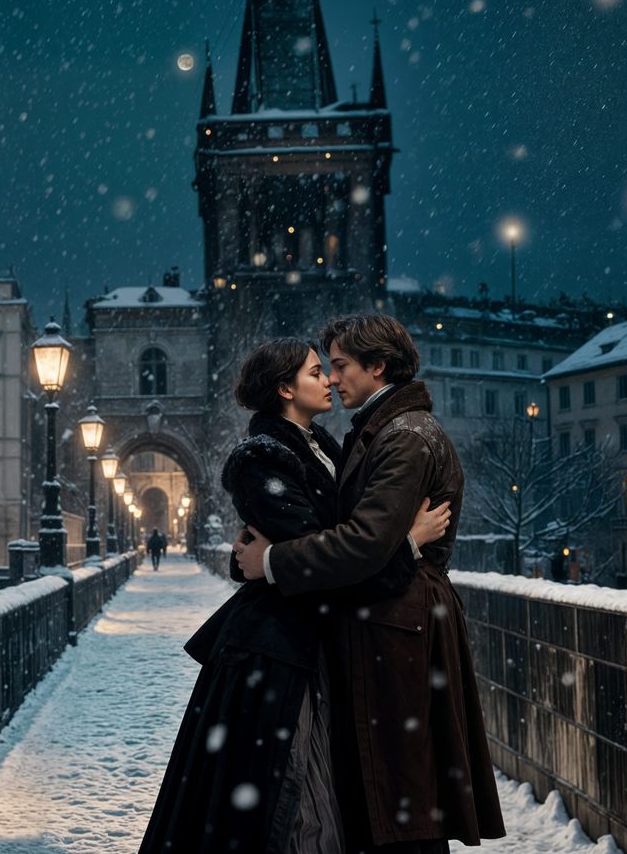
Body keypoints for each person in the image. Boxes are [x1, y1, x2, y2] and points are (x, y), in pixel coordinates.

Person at [141, 337, 450, 854]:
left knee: (323, 792)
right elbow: (327, 559)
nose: (328, 379)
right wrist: (408, 545)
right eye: (314, 372)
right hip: (280, 651)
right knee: (293, 799)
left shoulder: (325, 446)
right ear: (285, 388)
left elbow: (322, 547)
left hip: (318, 634)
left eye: (329, 369)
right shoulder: (259, 460)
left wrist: (267, 561)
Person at [234, 315, 505, 852]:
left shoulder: (406, 435)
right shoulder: (380, 430)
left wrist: (273, 563)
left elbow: (362, 543)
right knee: (392, 790)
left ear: (378, 366)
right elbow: (352, 536)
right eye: (325, 369)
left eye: (339, 366)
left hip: (399, 625)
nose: (332, 379)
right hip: (386, 620)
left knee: (403, 793)